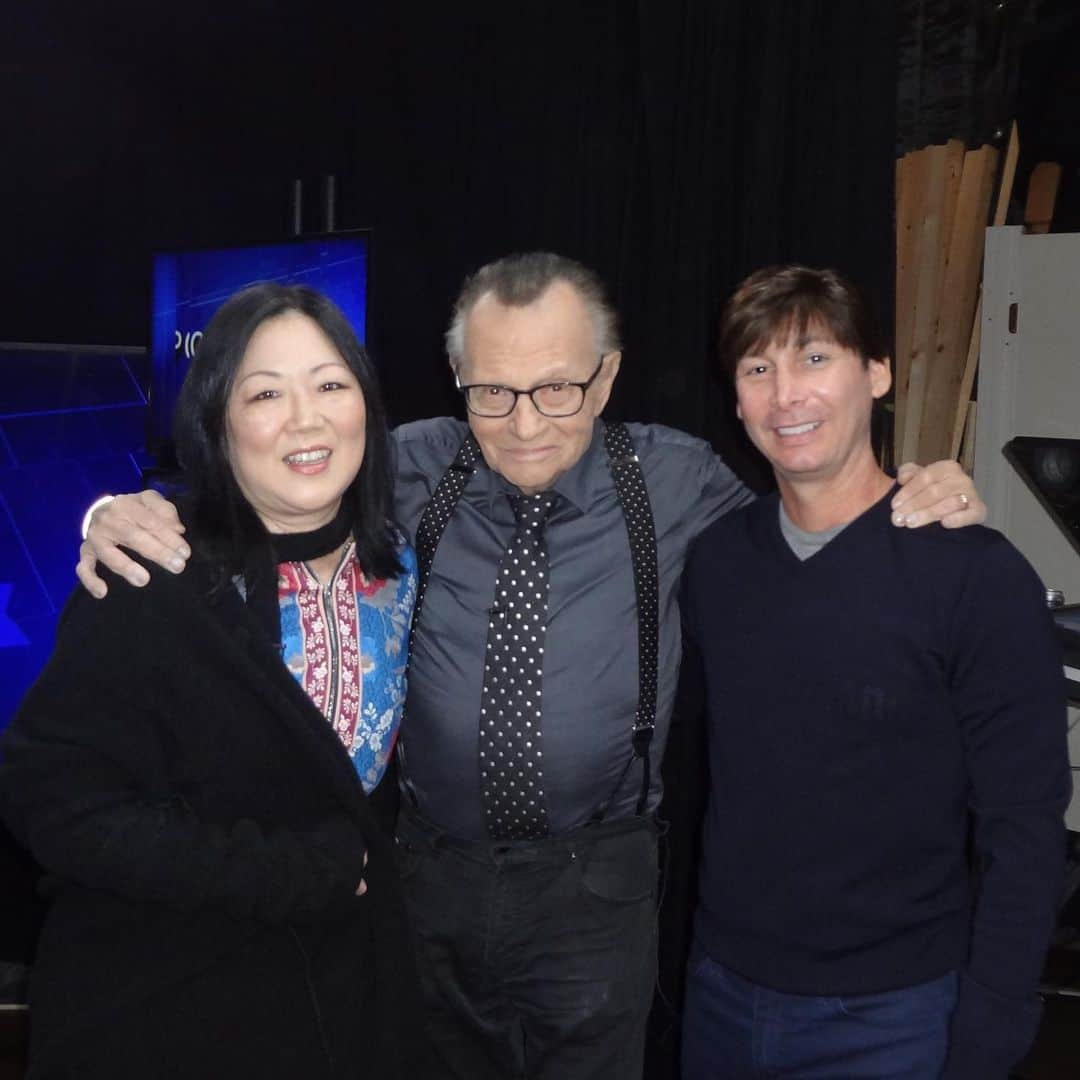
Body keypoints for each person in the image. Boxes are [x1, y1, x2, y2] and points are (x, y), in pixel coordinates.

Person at [77, 252, 984, 1080]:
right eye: (492, 392)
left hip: (597, 884)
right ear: (460, 381)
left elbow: (806, 535)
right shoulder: (410, 463)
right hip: (423, 872)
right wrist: (122, 511)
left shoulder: (676, 479)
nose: (522, 425)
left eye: (555, 389)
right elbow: (270, 479)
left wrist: (920, 490)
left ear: (608, 377)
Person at [1, 284, 425, 1078]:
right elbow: (52, 803)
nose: (307, 418)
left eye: (331, 384)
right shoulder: (150, 572)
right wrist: (292, 874)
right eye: (265, 392)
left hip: (340, 1002)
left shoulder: (400, 564)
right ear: (218, 423)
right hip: (168, 1002)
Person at [680, 265, 1070, 1080]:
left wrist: (992, 1022)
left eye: (814, 358)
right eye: (758, 369)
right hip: (721, 994)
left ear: (878, 372)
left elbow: (1024, 827)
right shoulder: (716, 565)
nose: (786, 395)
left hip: (895, 1015)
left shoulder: (974, 576)